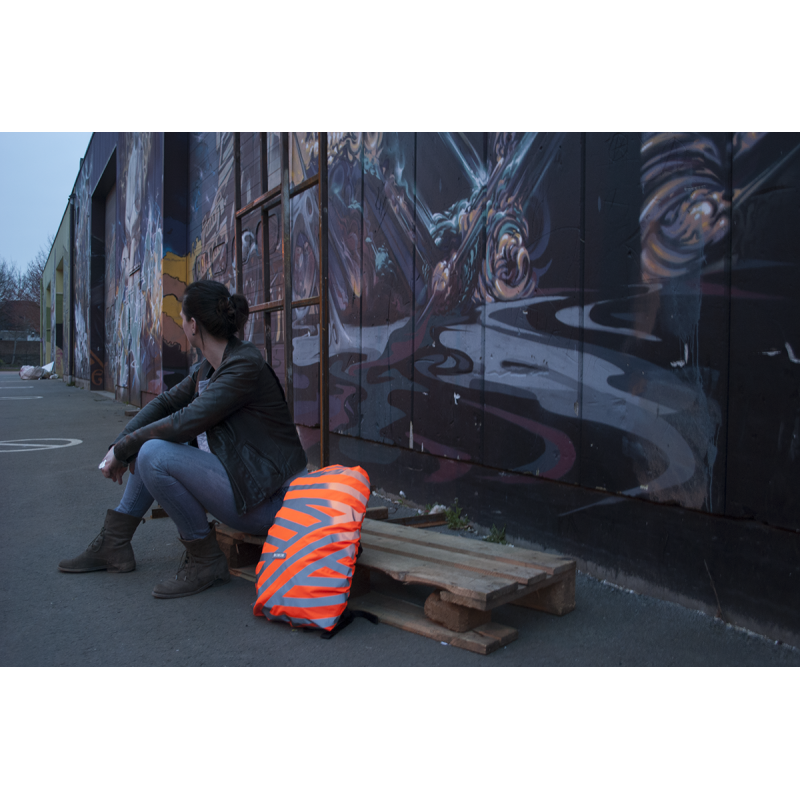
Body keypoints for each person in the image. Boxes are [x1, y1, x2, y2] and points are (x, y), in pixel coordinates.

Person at [58, 279, 308, 599]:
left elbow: (184, 422)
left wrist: (127, 449)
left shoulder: (244, 365)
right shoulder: (208, 368)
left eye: (181, 315)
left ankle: (206, 562)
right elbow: (165, 404)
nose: (179, 320)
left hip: (273, 501)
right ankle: (114, 544)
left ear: (193, 325)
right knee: (147, 448)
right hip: (245, 485)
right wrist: (119, 446)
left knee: (153, 454)